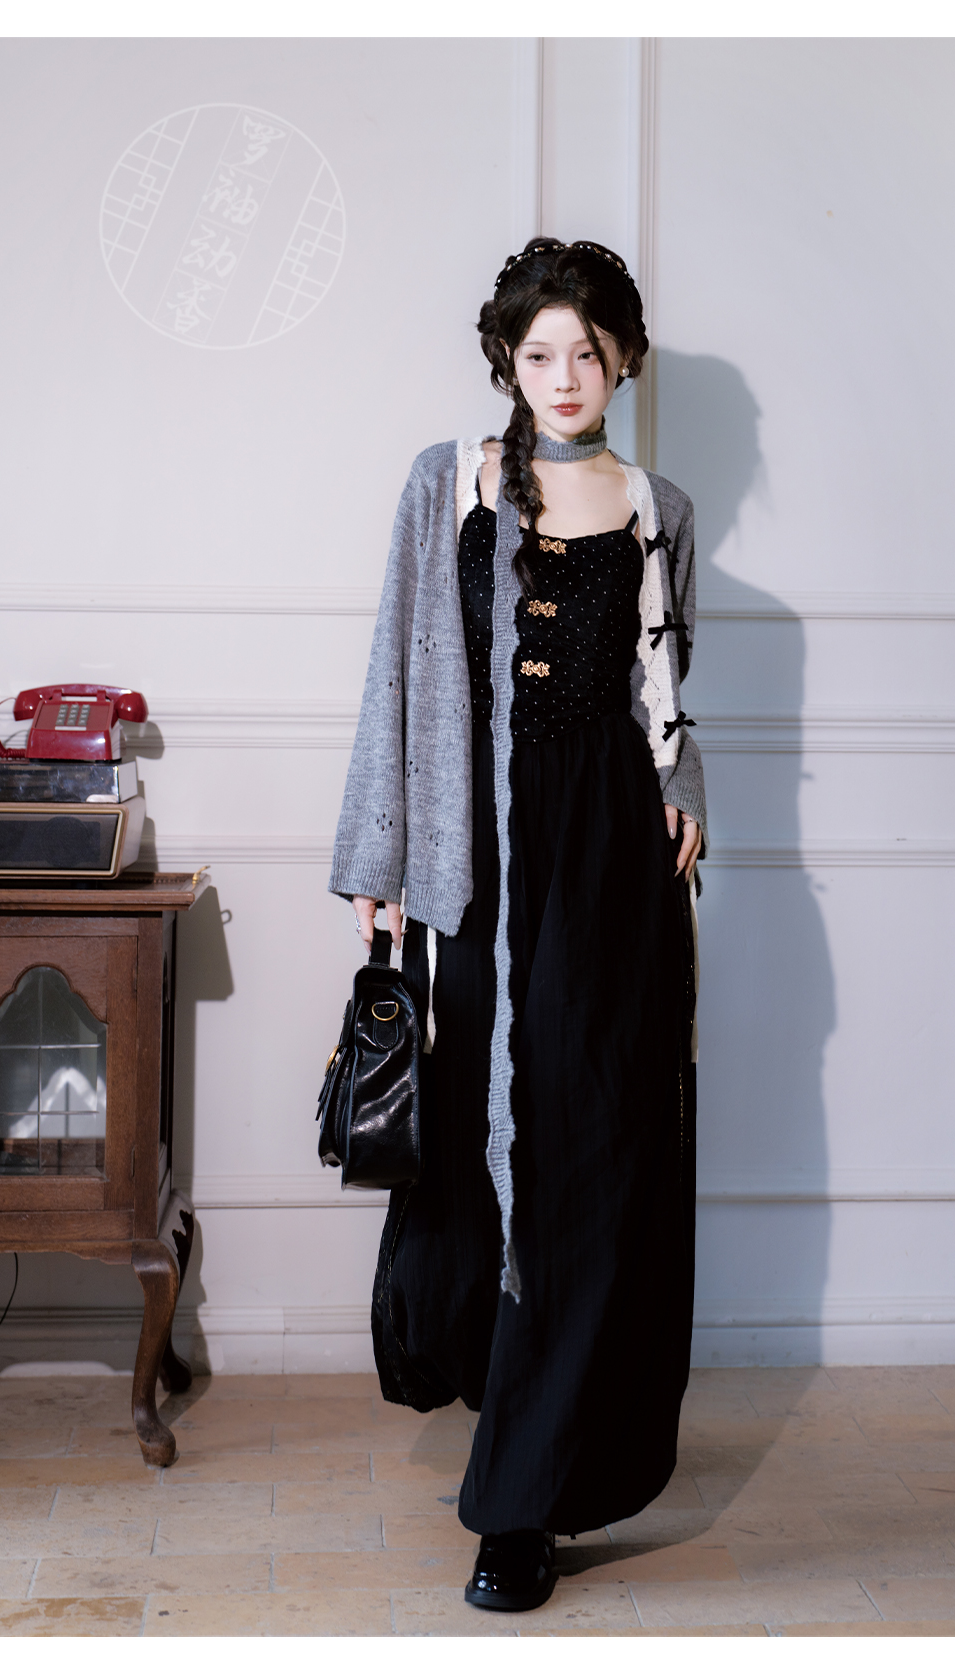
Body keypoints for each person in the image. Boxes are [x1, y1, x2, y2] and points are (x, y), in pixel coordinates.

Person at [329, 238, 706, 1612]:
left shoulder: (658, 505)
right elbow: (397, 667)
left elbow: (667, 690)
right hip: (479, 850)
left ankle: (522, 1504)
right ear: (505, 357)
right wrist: (380, 855)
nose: (563, 376)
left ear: (623, 361)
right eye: (539, 352)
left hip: (612, 856)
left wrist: (687, 793)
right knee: (492, 1146)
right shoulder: (451, 483)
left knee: (592, 1145)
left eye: (587, 353)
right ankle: (502, 1396)